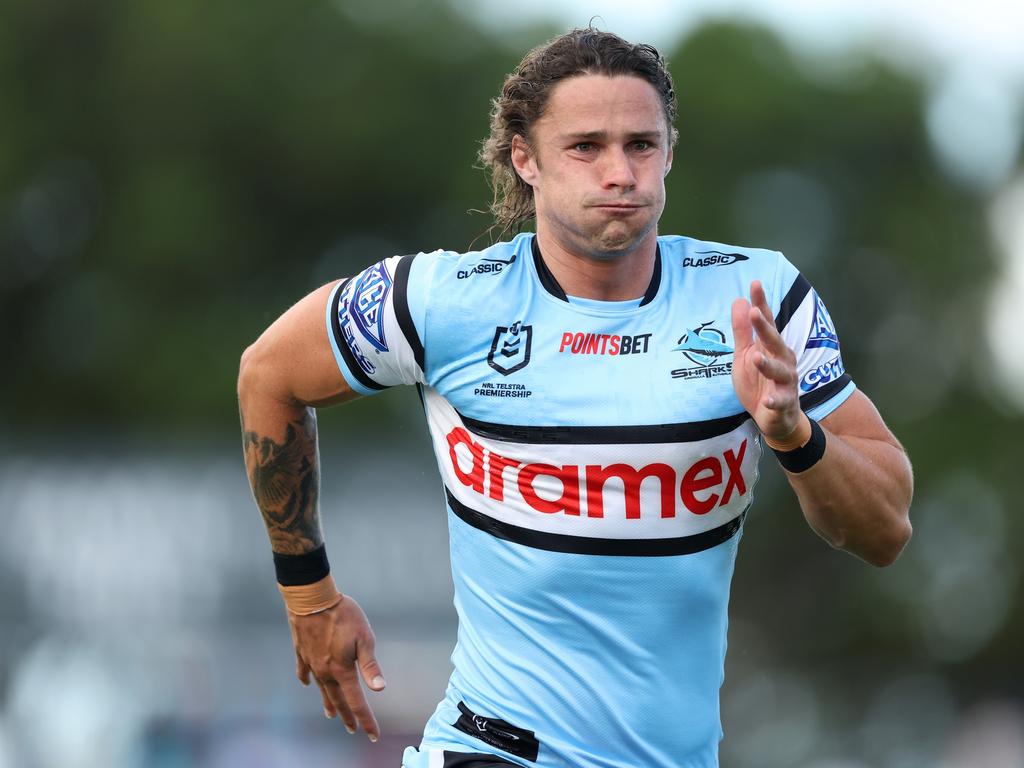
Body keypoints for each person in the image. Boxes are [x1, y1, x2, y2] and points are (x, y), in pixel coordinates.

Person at [237, 27, 913, 768]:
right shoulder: (442, 301)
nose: (620, 172)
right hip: (492, 748)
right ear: (525, 159)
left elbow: (884, 530)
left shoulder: (757, 299)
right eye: (585, 147)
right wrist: (309, 596)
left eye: (641, 145)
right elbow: (268, 374)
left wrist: (793, 434)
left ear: (670, 152)